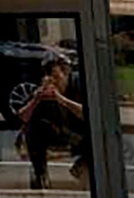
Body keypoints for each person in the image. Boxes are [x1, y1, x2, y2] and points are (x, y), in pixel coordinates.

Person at [19, 55, 88, 190]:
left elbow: (88, 114)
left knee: (100, 134)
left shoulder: (78, 85)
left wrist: (61, 99)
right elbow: (23, 116)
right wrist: (36, 100)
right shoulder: (42, 91)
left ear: (66, 74)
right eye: (51, 78)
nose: (54, 83)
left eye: (57, 78)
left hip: (79, 134)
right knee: (34, 129)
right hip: (58, 133)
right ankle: (40, 173)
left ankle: (82, 165)